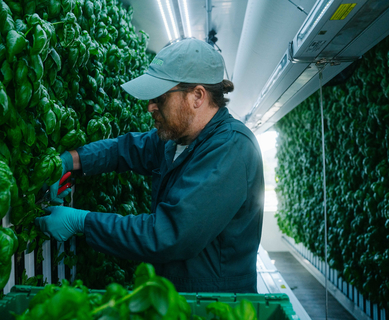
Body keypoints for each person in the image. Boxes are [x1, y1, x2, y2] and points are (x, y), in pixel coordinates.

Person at [36, 38, 264, 293]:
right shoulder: (179, 138)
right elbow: (125, 149)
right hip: (176, 297)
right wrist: (69, 161)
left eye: (161, 98)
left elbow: (167, 235)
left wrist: (83, 221)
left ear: (197, 96)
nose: (150, 107)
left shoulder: (231, 149)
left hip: (213, 305)